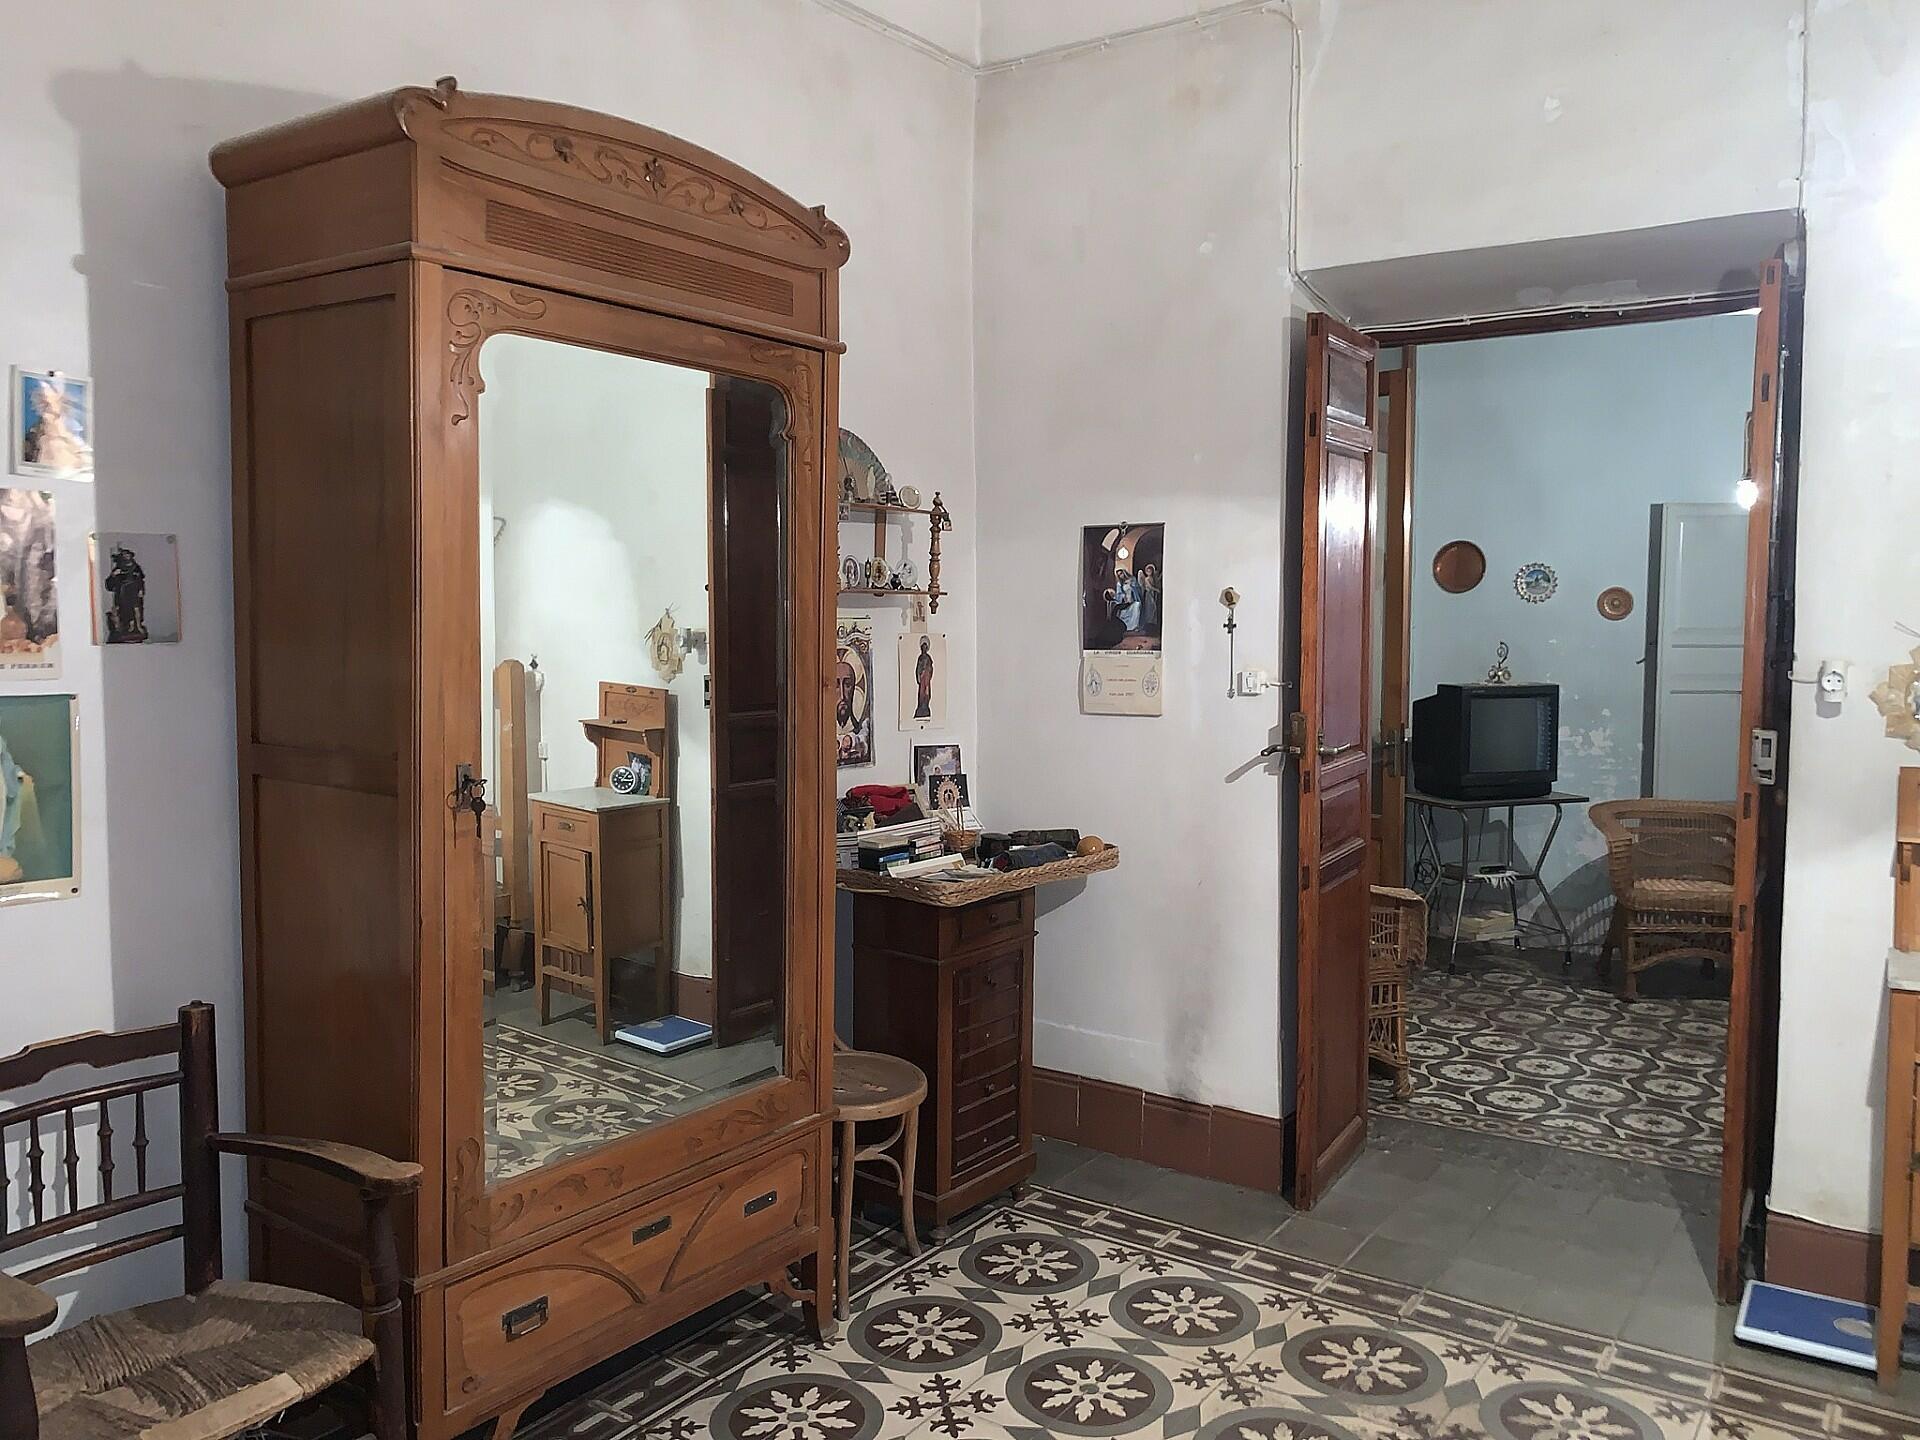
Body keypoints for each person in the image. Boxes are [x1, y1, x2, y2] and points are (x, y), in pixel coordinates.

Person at [914, 636, 934, 719]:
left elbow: (931, 668)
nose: (924, 649)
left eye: (925, 647)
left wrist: (928, 672)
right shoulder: (920, 658)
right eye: (923, 647)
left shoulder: (928, 658)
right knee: (921, 692)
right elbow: (917, 668)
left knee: (927, 692)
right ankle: (921, 705)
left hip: (926, 677)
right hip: (922, 677)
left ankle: (926, 705)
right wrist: (919, 675)